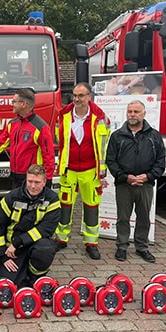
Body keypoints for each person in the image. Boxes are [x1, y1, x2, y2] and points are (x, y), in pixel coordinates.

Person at [54, 82, 111, 260]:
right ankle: (61, 238)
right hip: (69, 170)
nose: (77, 99)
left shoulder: (100, 117)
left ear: (89, 97)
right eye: (75, 95)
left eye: (81, 96)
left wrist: (102, 171)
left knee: (92, 207)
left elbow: (104, 146)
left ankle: (91, 242)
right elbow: (59, 138)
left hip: (90, 171)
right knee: (65, 205)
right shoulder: (62, 115)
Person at [106, 100, 165, 263]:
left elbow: (161, 161)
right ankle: (122, 247)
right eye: (130, 111)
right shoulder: (117, 136)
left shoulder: (154, 136)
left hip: (145, 184)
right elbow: (110, 161)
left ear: (144, 114)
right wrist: (126, 177)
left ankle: (142, 247)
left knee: (144, 217)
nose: (132, 114)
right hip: (124, 184)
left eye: (136, 112)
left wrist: (148, 176)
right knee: (123, 217)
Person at [0, 164, 60, 288]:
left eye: (37, 182)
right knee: (8, 283)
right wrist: (2, 256)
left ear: (44, 182)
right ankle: (16, 269)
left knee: (46, 249)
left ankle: (34, 276)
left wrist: (18, 242)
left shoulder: (52, 199)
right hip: (11, 250)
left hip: (33, 244)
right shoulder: (12, 197)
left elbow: (46, 229)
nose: (33, 186)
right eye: (30, 181)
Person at [0, 87, 54, 188]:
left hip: (32, 179)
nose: (11, 104)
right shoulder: (12, 124)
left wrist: (47, 180)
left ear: (23, 104)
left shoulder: (41, 127)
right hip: (14, 176)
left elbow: (49, 157)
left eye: (14, 101)